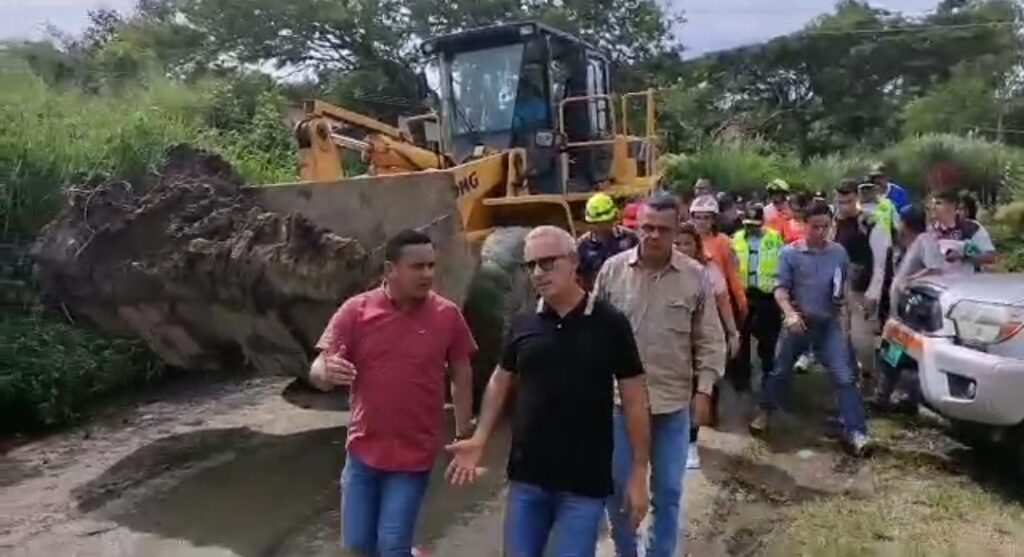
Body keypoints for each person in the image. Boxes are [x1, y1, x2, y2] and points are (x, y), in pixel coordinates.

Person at [446, 225, 652, 557]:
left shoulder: (609, 323)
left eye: (548, 262)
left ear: (573, 262)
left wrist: (639, 472)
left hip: (584, 485)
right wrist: (480, 436)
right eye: (531, 265)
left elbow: (634, 396)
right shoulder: (523, 322)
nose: (538, 273)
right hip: (527, 479)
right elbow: (501, 379)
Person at [309, 229, 477, 557]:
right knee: (358, 547)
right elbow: (319, 365)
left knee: (391, 546)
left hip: (414, 457)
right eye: (417, 267)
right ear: (390, 270)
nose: (427, 274)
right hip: (363, 453)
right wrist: (325, 373)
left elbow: (462, 370)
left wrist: (463, 431)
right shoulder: (356, 312)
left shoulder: (446, 315)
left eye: (431, 265)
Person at [595, 192, 727, 557]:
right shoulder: (613, 271)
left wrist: (704, 391)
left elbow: (710, 339)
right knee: (619, 490)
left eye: (662, 230)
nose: (652, 236)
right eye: (646, 227)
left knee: (667, 493)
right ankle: (627, 552)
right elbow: (594, 334)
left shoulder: (695, 277)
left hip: (672, 407)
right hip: (620, 406)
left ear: (676, 230)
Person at [751, 203, 872, 457]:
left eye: (825, 227)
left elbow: (843, 288)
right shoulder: (790, 254)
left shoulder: (838, 253)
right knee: (780, 370)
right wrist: (790, 314)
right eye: (815, 227)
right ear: (804, 225)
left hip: (829, 323)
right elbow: (780, 290)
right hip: (799, 323)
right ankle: (765, 411)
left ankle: (857, 432)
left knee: (844, 377)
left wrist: (847, 322)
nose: (820, 232)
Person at [675, 222, 738, 470]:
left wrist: (732, 334)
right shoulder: (660, 270)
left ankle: (691, 444)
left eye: (686, 243)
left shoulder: (708, 270)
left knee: (696, 393)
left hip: (699, 340)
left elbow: (723, 303)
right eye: (676, 243)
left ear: (696, 245)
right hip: (671, 344)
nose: (680, 248)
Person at [729, 204, 785, 395]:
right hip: (743, 295)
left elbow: (783, 264)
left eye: (755, 224)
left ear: (763, 222)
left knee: (768, 340)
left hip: (767, 297)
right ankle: (742, 378)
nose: (751, 228)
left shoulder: (775, 238)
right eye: (747, 224)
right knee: (741, 338)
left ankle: (768, 376)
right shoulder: (736, 239)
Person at [834, 180, 891, 324]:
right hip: (839, 290)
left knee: (861, 341)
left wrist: (874, 292)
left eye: (849, 201)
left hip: (863, 290)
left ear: (858, 198)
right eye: (841, 202)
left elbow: (880, 262)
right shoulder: (834, 222)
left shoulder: (871, 222)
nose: (844, 207)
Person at [690, 195, 749, 325]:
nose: (702, 222)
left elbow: (733, 275)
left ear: (714, 220)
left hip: (718, 303)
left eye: (706, 217)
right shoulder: (685, 241)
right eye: (698, 217)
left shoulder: (723, 242)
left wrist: (741, 302)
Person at [577, 193, 639, 290]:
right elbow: (580, 278)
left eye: (606, 222)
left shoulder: (629, 238)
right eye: (597, 224)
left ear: (613, 219)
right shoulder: (583, 246)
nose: (602, 228)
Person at [928, 189, 997, 274]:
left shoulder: (971, 228)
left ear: (952, 206)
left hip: (966, 283)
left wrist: (963, 255)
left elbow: (990, 257)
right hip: (940, 284)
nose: (933, 208)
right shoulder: (930, 231)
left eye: (938, 203)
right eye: (932, 204)